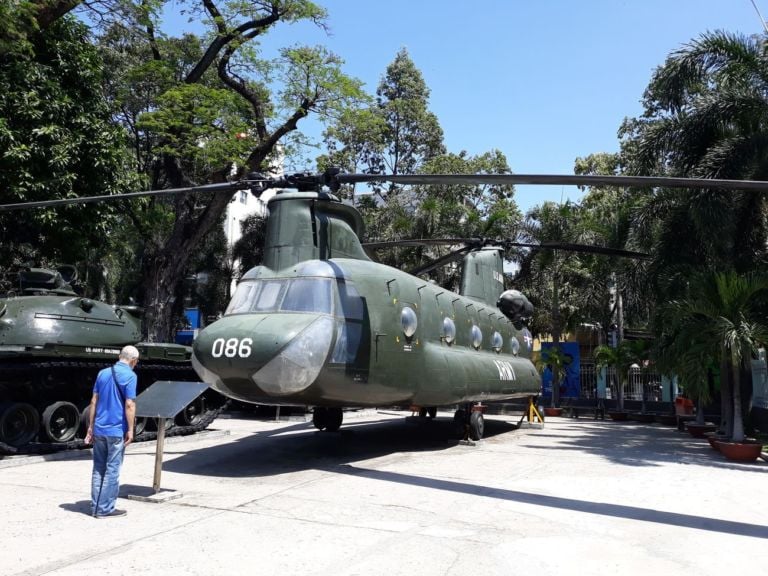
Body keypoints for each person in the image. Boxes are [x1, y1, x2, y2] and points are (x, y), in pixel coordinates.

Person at [84, 345, 139, 518]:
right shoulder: (130, 375)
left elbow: (94, 401)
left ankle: (95, 506)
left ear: (120, 356)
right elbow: (129, 404)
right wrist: (130, 429)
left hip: (100, 428)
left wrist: (91, 426)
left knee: (98, 468)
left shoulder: (103, 373)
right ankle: (105, 509)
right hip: (116, 430)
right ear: (133, 360)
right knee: (112, 469)